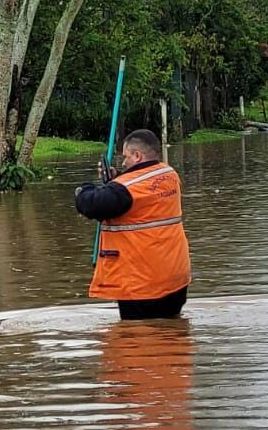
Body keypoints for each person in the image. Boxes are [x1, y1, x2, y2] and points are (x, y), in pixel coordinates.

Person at [74, 129, 191, 319]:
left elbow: (91, 204)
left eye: (125, 157)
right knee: (171, 332)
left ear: (137, 156)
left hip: (142, 281)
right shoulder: (170, 175)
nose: (123, 162)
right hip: (174, 276)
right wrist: (116, 179)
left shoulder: (125, 190)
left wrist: (84, 189)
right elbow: (139, 195)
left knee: (136, 341)